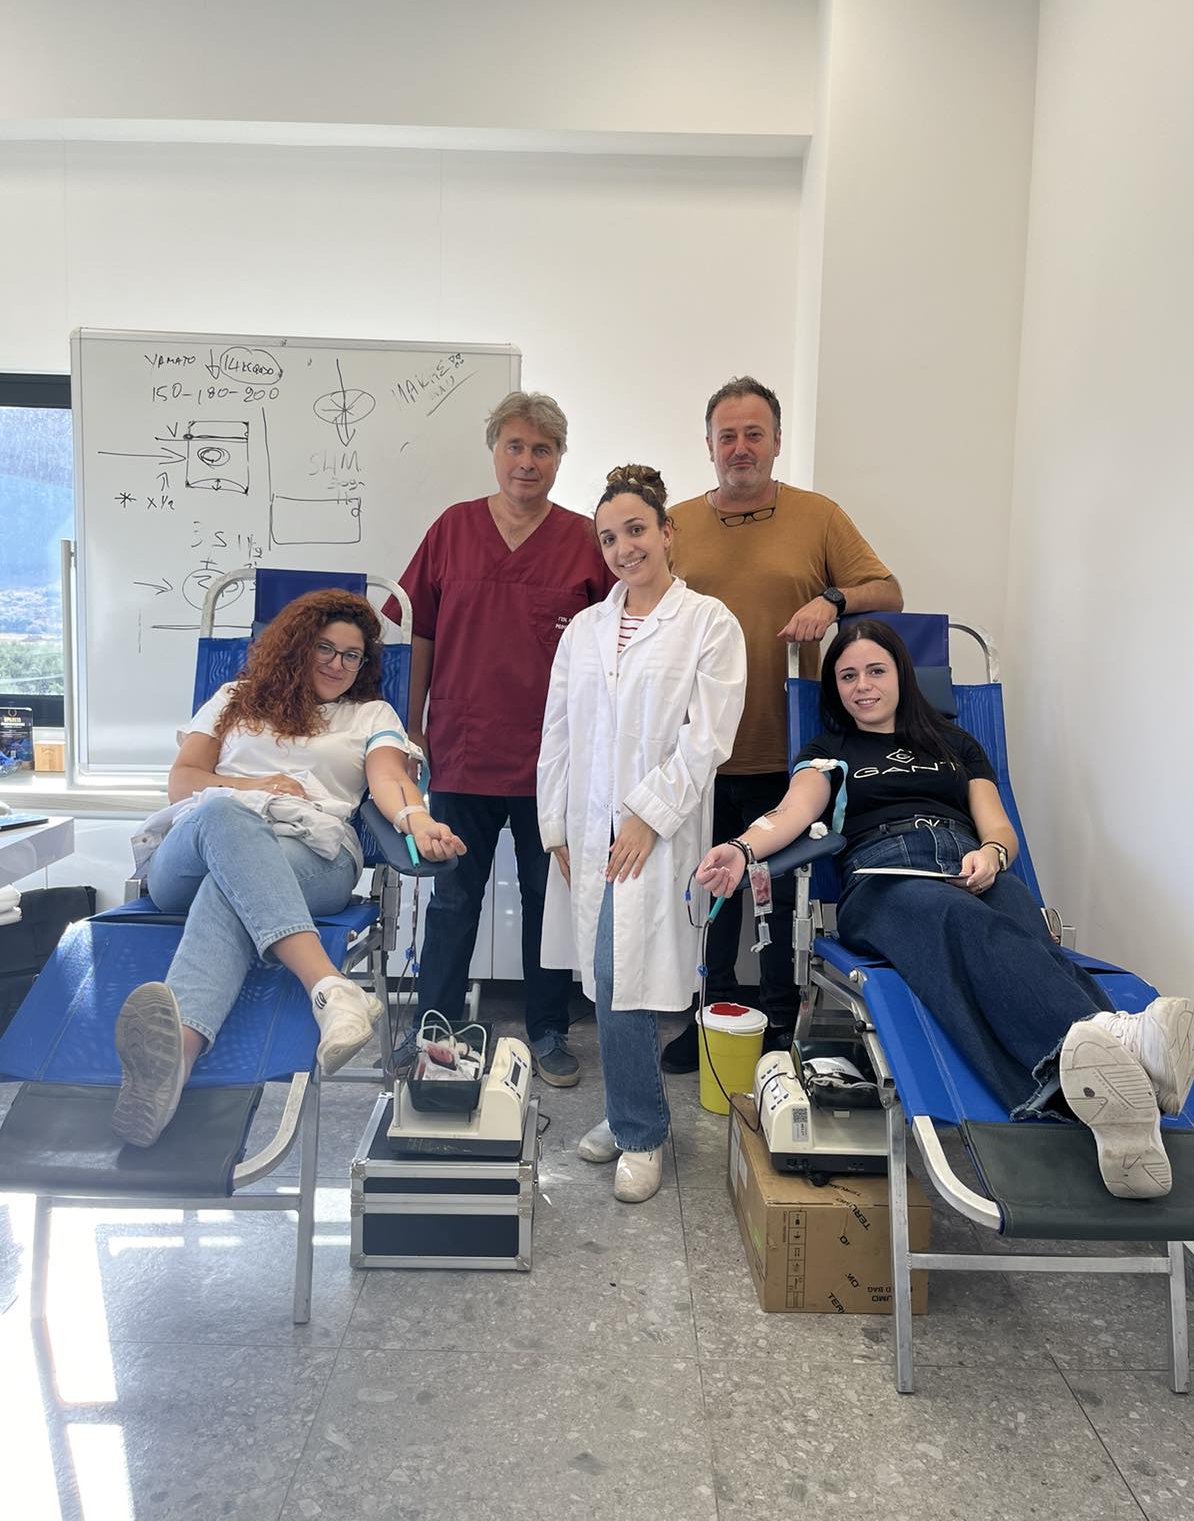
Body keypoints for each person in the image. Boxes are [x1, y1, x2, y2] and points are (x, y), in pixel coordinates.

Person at [695, 619, 1194, 1199]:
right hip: (885, 877)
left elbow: (999, 828)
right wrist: (741, 849)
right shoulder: (828, 751)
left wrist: (992, 854)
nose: (863, 685)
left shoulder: (956, 744)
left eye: (876, 671)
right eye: (847, 676)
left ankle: (1117, 1121)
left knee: (1024, 929)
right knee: (959, 920)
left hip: (970, 863)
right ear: (834, 688)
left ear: (902, 676)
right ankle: (1125, 1043)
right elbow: (789, 814)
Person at [113, 589, 465, 1148]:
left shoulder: (370, 714)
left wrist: (417, 820)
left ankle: (173, 1063)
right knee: (225, 816)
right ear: (296, 645)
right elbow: (184, 781)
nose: (338, 664)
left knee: (228, 891)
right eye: (325, 648)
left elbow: (390, 777)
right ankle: (330, 989)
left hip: (312, 855)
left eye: (352, 656)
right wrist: (255, 787)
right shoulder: (234, 699)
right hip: (197, 847)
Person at [662, 375, 903, 1073]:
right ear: (709, 445)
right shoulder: (675, 524)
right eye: (727, 436)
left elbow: (888, 590)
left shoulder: (817, 516)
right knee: (708, 893)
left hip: (787, 745)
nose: (740, 447)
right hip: (695, 751)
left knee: (779, 891)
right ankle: (709, 1020)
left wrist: (832, 599)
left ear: (775, 441)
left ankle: (776, 1024)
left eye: (753, 434)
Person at [383, 392, 612, 1087]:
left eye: (542, 449)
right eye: (515, 446)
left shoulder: (584, 541)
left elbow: (614, 645)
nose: (527, 461)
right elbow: (418, 631)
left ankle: (548, 1031)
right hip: (462, 748)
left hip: (553, 760)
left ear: (560, 458)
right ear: (494, 451)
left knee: (550, 902)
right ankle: (435, 1028)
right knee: (454, 899)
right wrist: (412, 725)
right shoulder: (453, 529)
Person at [538, 465, 746, 1202]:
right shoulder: (586, 630)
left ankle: (640, 1131)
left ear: (666, 533)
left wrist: (648, 817)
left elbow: (706, 739)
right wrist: (556, 825)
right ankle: (629, 1109)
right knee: (607, 979)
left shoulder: (709, 623)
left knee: (623, 975)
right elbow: (558, 731)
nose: (624, 548)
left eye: (636, 530)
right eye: (608, 538)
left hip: (655, 827)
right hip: (588, 827)